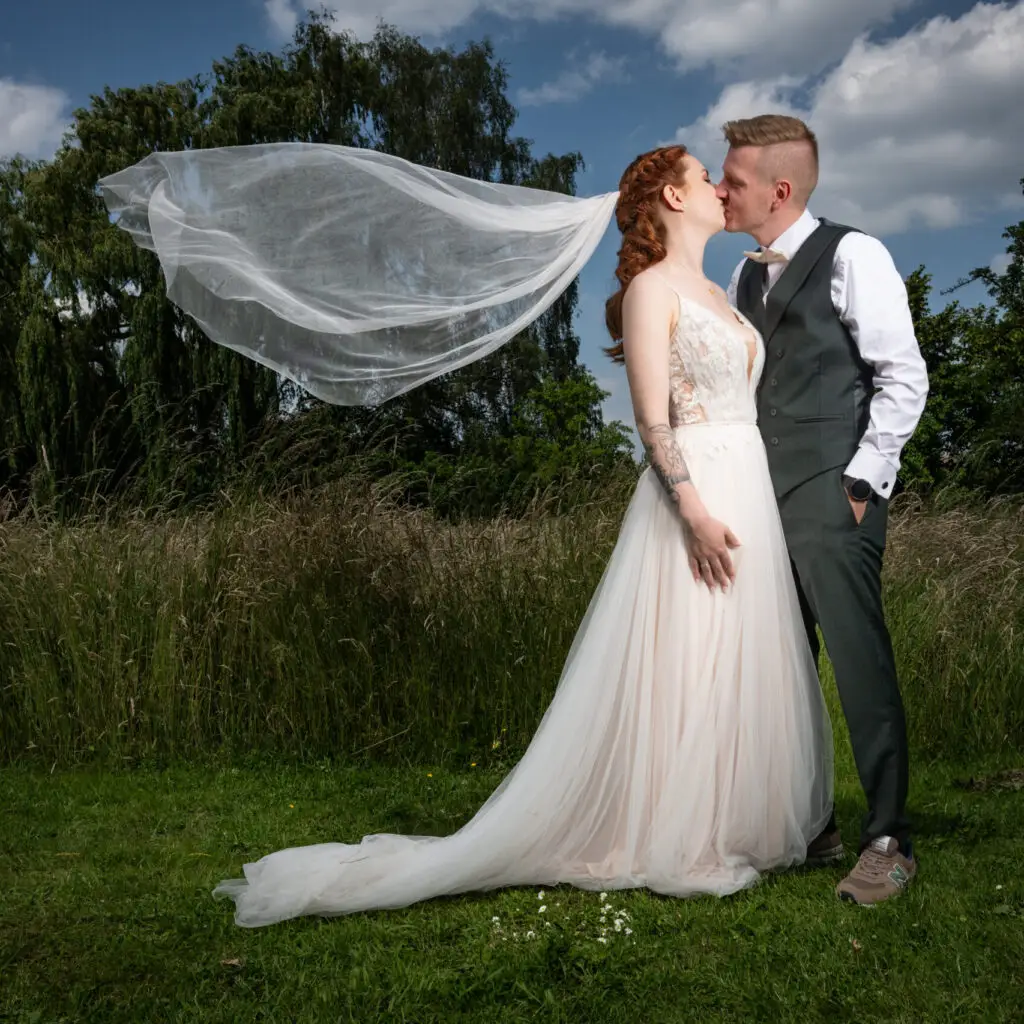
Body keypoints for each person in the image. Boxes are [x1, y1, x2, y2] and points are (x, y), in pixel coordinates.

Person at [197, 143, 835, 927]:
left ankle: (731, 818)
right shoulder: (650, 290)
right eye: (705, 175)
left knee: (737, 653)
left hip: (747, 481)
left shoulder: (720, 289)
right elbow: (650, 418)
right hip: (696, 488)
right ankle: (675, 832)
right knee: (687, 655)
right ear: (672, 197)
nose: (717, 185)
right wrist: (693, 509)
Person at [717, 114, 929, 904]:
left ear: (778, 189)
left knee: (856, 660)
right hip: (758, 491)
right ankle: (810, 825)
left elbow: (902, 374)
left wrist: (863, 481)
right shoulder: (742, 276)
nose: (719, 189)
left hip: (836, 489)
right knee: (781, 667)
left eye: (732, 179)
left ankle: (888, 838)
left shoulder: (854, 253)